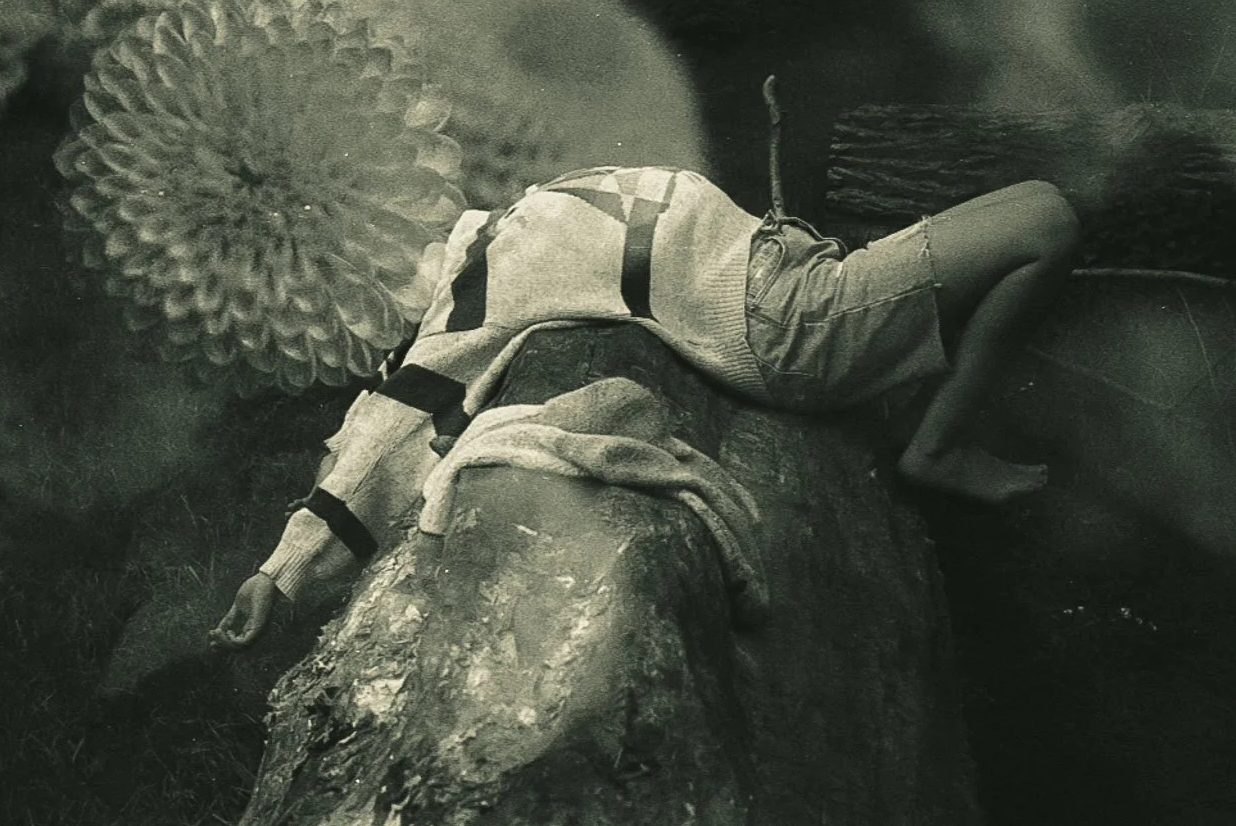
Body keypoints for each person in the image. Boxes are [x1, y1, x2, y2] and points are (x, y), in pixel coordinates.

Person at [211, 165, 1080, 649]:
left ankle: (933, 415)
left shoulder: (496, 223)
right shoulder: (473, 296)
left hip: (789, 275)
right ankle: (940, 446)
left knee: (1039, 203)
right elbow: (389, 423)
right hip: (790, 322)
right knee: (1047, 218)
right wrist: (278, 575)